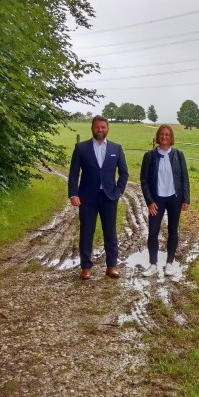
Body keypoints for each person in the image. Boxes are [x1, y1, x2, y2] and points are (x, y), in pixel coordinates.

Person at [68, 115, 129, 280]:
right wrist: (73, 193)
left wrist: (118, 191)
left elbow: (124, 173)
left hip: (109, 197)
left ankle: (111, 266)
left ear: (107, 128)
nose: (99, 130)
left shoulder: (116, 149)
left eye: (103, 127)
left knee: (110, 232)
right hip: (87, 197)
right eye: (96, 127)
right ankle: (86, 267)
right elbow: (74, 173)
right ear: (92, 128)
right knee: (87, 232)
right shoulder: (81, 148)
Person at [140, 124, 190, 278]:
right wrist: (149, 201)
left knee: (173, 231)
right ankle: (153, 264)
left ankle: (169, 263)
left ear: (171, 137)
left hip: (174, 198)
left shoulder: (178, 155)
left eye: (167, 135)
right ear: (157, 136)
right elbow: (144, 180)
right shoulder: (150, 156)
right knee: (153, 231)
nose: (164, 137)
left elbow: (184, 178)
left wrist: (186, 199)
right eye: (161, 134)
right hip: (157, 200)